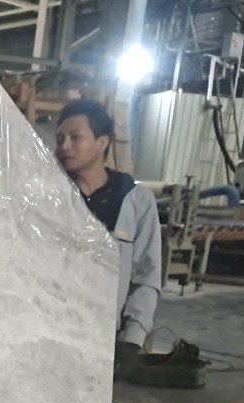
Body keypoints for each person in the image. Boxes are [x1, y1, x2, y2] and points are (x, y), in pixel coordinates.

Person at [55, 99, 161, 380]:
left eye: (75, 137)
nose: (64, 146)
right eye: (60, 138)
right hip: (52, 333)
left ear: (102, 142)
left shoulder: (136, 201)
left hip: (106, 339)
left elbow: (146, 275)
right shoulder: (49, 197)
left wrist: (132, 339)